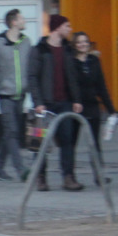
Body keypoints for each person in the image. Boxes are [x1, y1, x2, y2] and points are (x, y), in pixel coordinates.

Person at [28, 14, 84, 191]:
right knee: (40, 143)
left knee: (67, 140)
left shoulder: (67, 49)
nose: (70, 29)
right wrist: (38, 101)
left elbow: (73, 77)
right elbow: (32, 77)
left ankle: (68, 177)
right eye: (67, 26)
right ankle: (41, 177)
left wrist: (76, 99)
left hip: (65, 103)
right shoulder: (40, 49)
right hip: (45, 104)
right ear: (57, 27)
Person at [0, 9, 33, 181]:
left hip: (21, 95)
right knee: (12, 131)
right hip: (5, 95)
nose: (24, 20)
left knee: (9, 132)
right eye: (21, 18)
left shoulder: (26, 42)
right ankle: (21, 170)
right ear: (14, 22)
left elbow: (32, 68)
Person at [71, 31, 116, 184]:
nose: (82, 44)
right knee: (72, 142)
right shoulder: (71, 62)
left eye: (85, 41)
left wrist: (110, 108)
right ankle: (70, 176)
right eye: (79, 42)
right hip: (76, 106)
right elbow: (72, 85)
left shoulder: (94, 61)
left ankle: (99, 175)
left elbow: (101, 86)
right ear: (75, 45)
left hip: (92, 106)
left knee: (94, 143)